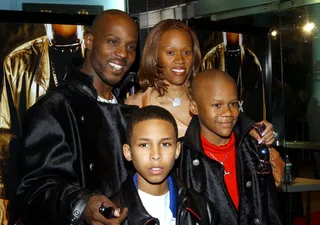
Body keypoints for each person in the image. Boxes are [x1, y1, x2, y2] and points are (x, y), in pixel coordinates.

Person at [125, 19, 284, 186]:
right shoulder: (136, 104)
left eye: (186, 52)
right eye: (171, 52)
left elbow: (236, 135)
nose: (180, 60)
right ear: (155, 55)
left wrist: (256, 131)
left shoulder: (209, 98)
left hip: (215, 195)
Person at [16, 9, 138, 225]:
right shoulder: (54, 109)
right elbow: (34, 192)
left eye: (131, 47)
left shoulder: (131, 109)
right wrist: (82, 204)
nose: (123, 54)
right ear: (89, 41)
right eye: (112, 42)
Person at [0, 23, 86, 225]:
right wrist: (3, 195)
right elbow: (5, 134)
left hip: (86, 190)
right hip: (36, 191)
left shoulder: (98, 53)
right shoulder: (19, 62)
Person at [177, 68, 283, 225]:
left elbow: (270, 209)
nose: (228, 112)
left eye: (233, 104)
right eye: (217, 105)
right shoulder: (180, 156)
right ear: (194, 107)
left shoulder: (253, 148)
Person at [110, 105, 219, 225]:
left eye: (165, 144)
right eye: (144, 145)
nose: (156, 155)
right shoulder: (111, 215)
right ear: (128, 152)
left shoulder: (203, 209)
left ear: (177, 150)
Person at [202, 32, 265, 122]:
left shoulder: (251, 59)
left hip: (246, 124)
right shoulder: (211, 59)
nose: (232, 35)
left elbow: (258, 101)